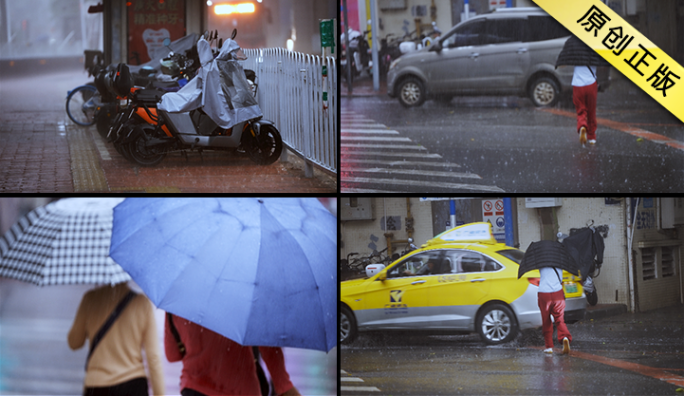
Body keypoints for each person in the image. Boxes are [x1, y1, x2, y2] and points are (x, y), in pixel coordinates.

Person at [165, 313, 301, 396]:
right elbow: (265, 341)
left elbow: (172, 355)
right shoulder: (243, 287)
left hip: (194, 389)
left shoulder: (176, 295)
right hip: (241, 389)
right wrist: (284, 385)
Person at [68, 282, 165, 396]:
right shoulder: (141, 303)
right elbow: (153, 358)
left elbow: (74, 343)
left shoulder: (90, 299)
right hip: (132, 384)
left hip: (97, 385)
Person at [555, 35, 610, 146]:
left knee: (581, 110)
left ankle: (582, 126)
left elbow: (562, 65)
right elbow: (603, 65)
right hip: (591, 84)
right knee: (591, 111)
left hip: (578, 84)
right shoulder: (595, 47)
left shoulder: (574, 45)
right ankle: (592, 137)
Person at [537, 266, 572, 355]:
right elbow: (560, 279)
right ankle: (565, 337)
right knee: (559, 319)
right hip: (557, 293)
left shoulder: (541, 262)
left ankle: (549, 347)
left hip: (544, 293)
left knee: (546, 320)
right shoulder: (559, 263)